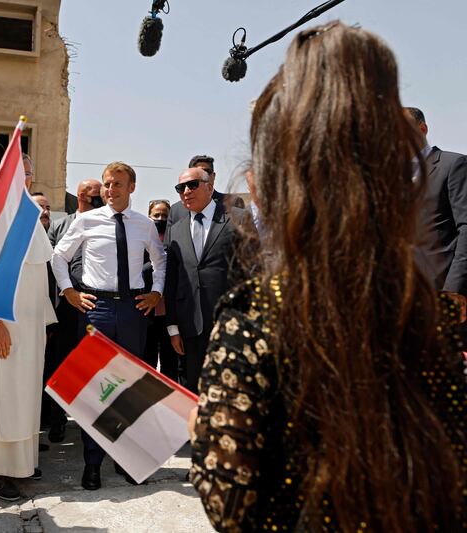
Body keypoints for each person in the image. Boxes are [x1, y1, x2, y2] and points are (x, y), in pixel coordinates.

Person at [188, 22, 466, 532]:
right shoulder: (435, 320)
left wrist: (204, 428)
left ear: (271, 181)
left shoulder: (255, 319)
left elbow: (229, 507)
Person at [52, 161, 166, 490]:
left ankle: (125, 458)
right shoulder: (86, 221)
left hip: (132, 310)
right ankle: (92, 463)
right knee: (97, 388)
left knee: (128, 388)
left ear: (132, 187)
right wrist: (69, 291)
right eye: (106, 184)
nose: (110, 189)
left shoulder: (143, 225)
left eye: (117, 183)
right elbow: (59, 256)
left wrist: (156, 292)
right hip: (96, 310)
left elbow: (160, 260)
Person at [0, 197, 56, 502]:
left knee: (23, 398)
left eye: (28, 174)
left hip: (29, 331)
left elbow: (39, 279)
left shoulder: (31, 219)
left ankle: (19, 464)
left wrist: (43, 324)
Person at [164, 167, 248, 394]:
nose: (186, 192)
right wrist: (172, 327)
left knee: (231, 390)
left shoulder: (237, 218)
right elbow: (171, 280)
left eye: (192, 185)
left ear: (210, 186)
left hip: (229, 324)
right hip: (190, 327)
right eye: (181, 188)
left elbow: (251, 270)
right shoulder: (177, 228)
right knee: (193, 391)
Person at [42, 178, 103, 444]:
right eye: (95, 195)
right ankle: (57, 424)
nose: (101, 198)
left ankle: (93, 428)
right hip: (66, 309)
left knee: (95, 369)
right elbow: (51, 265)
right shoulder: (59, 226)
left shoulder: (107, 222)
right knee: (62, 367)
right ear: (81, 196)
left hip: (97, 307)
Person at [405, 106, 467, 316]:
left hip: (443, 292)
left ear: (422, 129)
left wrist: (454, 289)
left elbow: (466, 228)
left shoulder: (453, 165)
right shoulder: (388, 176)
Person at [142, 199, 179, 381]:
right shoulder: (141, 240)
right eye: (156, 215)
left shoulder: (175, 239)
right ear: (149, 217)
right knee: (146, 362)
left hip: (168, 314)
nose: (160, 219)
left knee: (170, 364)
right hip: (146, 312)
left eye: (165, 215)